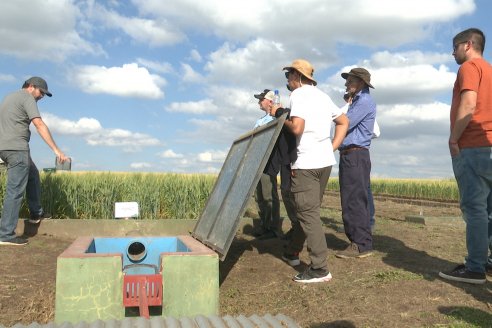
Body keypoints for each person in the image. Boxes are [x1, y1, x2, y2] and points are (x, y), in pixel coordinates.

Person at [271, 59, 349, 283]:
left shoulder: (299, 95)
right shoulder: (322, 96)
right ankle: (293, 252)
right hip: (324, 162)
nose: (287, 80)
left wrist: (279, 113)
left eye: (288, 76)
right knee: (309, 212)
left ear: (297, 76)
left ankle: (319, 268)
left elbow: (297, 128)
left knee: (308, 214)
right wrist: (331, 147)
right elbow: (344, 121)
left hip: (305, 163)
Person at [438, 28, 492, 285]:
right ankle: (487, 262)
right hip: (489, 146)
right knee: (489, 209)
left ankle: (475, 268)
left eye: (455, 46)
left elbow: (469, 105)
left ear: (468, 45)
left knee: (474, 209)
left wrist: (453, 138)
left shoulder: (470, 68)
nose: (452, 52)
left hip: (471, 145)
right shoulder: (490, 70)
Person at [0, 77, 69, 246]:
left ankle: (36, 213)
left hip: (6, 147)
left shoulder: (9, 97)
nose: (41, 97)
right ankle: (5, 234)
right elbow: (38, 124)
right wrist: (57, 150)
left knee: (33, 175)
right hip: (17, 149)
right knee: (15, 191)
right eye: (41, 92)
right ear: (31, 87)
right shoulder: (27, 97)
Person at [335, 68, 376, 259]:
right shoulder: (358, 101)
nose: (346, 84)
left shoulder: (364, 101)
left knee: (354, 199)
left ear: (360, 82)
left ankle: (361, 244)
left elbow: (346, 123)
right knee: (351, 197)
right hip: (352, 155)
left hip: (355, 155)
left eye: (349, 80)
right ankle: (358, 241)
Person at [338, 93, 380, 233]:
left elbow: (375, 131)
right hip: (351, 151)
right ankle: (361, 225)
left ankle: (366, 224)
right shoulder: (349, 108)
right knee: (359, 191)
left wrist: (360, 138)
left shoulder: (363, 103)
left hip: (356, 151)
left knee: (360, 192)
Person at [252, 89, 281, 239]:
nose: (258, 102)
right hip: (258, 161)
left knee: (269, 195)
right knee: (260, 196)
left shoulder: (277, 118)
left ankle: (273, 228)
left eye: (261, 99)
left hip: (269, 161)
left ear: (270, 101)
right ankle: (264, 226)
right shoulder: (260, 121)